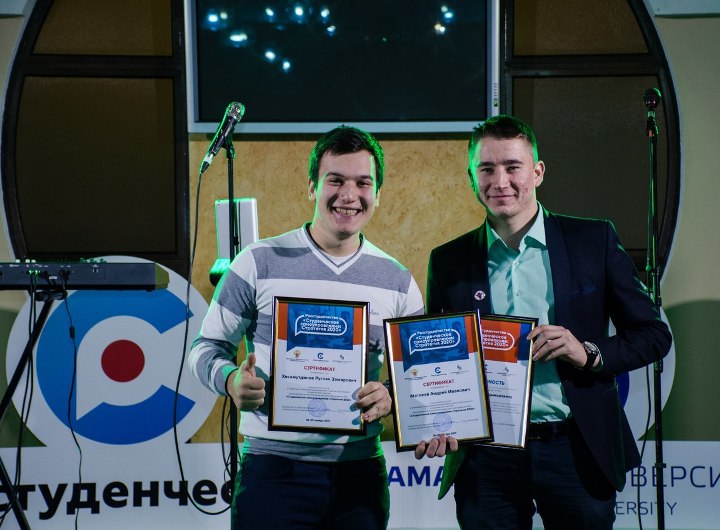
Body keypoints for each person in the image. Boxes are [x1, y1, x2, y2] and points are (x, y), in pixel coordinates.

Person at [416, 115, 672, 529]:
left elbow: (654, 335)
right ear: (471, 178)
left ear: (537, 172)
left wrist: (586, 353)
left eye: (512, 167)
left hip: (576, 447)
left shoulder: (593, 240)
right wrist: (436, 418)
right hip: (487, 456)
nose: (500, 181)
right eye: (487, 169)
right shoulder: (448, 260)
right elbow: (438, 360)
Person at [189, 125, 424, 530]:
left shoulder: (398, 280)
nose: (348, 195)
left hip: (359, 478)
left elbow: (417, 378)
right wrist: (230, 380)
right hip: (273, 474)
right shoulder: (257, 261)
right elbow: (204, 348)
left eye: (362, 183)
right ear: (312, 187)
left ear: (378, 194)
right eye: (335, 180)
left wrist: (390, 395)